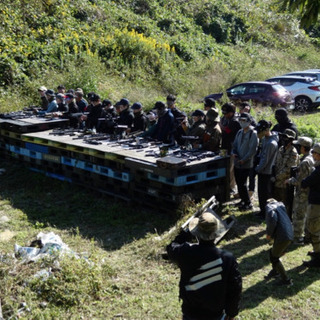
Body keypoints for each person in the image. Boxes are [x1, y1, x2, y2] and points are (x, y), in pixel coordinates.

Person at [166, 210, 242, 320]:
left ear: (197, 232)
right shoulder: (227, 259)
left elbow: (171, 247)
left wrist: (187, 231)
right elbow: (235, 288)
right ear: (216, 233)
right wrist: (232, 313)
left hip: (190, 313)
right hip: (215, 314)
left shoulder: (185, 252)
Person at [285, 137, 314, 244]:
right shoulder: (311, 158)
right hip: (310, 192)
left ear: (303, 147)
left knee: (299, 215)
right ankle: (307, 236)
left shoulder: (304, 162)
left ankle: (297, 237)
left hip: (302, 193)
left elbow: (300, 181)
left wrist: (290, 181)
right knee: (306, 215)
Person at [232, 113, 258, 211]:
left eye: (244, 121)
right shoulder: (239, 132)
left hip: (246, 163)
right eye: (241, 120)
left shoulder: (253, 133)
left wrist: (244, 160)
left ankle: (248, 203)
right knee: (238, 183)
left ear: (249, 121)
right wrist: (233, 153)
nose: (242, 122)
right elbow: (234, 145)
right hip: (237, 162)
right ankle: (242, 200)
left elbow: (252, 150)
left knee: (243, 183)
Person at [264, 199, 293, 286]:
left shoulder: (270, 208)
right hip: (290, 233)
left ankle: (286, 280)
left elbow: (272, 220)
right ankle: (275, 271)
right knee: (272, 252)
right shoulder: (281, 207)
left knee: (274, 258)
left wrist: (269, 234)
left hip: (282, 236)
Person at [301, 143, 320, 267]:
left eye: (314, 153)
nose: (312, 155)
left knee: (314, 230)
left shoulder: (318, 171)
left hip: (316, 204)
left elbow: (305, 182)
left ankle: (318, 258)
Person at [255, 120, 279, 219]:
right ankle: (262, 211)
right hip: (262, 170)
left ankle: (266, 213)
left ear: (266, 130)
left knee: (265, 193)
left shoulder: (271, 143)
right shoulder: (265, 139)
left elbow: (265, 160)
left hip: (267, 172)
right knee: (261, 192)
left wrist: (257, 169)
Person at [273, 129, 299, 211]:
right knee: (275, 204)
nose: (284, 140)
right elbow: (276, 163)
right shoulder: (281, 149)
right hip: (276, 183)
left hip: (285, 184)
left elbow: (289, 169)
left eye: (286, 138)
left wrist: (277, 177)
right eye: (283, 137)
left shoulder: (293, 153)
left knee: (285, 206)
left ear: (291, 140)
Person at [220, 103, 241, 193]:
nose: (225, 115)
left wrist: (219, 125)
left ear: (232, 112)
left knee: (231, 168)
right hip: (224, 145)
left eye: (227, 113)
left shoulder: (235, 121)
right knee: (224, 166)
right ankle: (225, 185)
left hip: (232, 147)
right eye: (224, 113)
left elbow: (228, 131)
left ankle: (232, 187)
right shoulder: (225, 118)